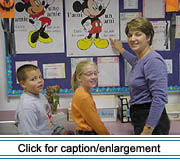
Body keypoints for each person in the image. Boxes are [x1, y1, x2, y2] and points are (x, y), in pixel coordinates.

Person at [110, 17, 170, 135]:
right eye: (130, 35)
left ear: (148, 37)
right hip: (141, 117)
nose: (132, 39)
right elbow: (133, 61)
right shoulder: (140, 60)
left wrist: (147, 130)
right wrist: (121, 50)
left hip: (151, 123)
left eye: (138, 34)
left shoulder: (153, 61)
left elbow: (159, 98)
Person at [15, 64, 73, 135]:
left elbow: (48, 120)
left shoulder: (41, 96)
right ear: (23, 84)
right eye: (33, 79)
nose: (39, 81)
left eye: (40, 77)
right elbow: (29, 135)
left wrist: (61, 131)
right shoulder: (27, 107)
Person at [71, 60, 110, 135]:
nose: (94, 77)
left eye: (95, 73)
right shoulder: (83, 96)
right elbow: (96, 123)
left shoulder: (81, 92)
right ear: (79, 77)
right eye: (89, 74)